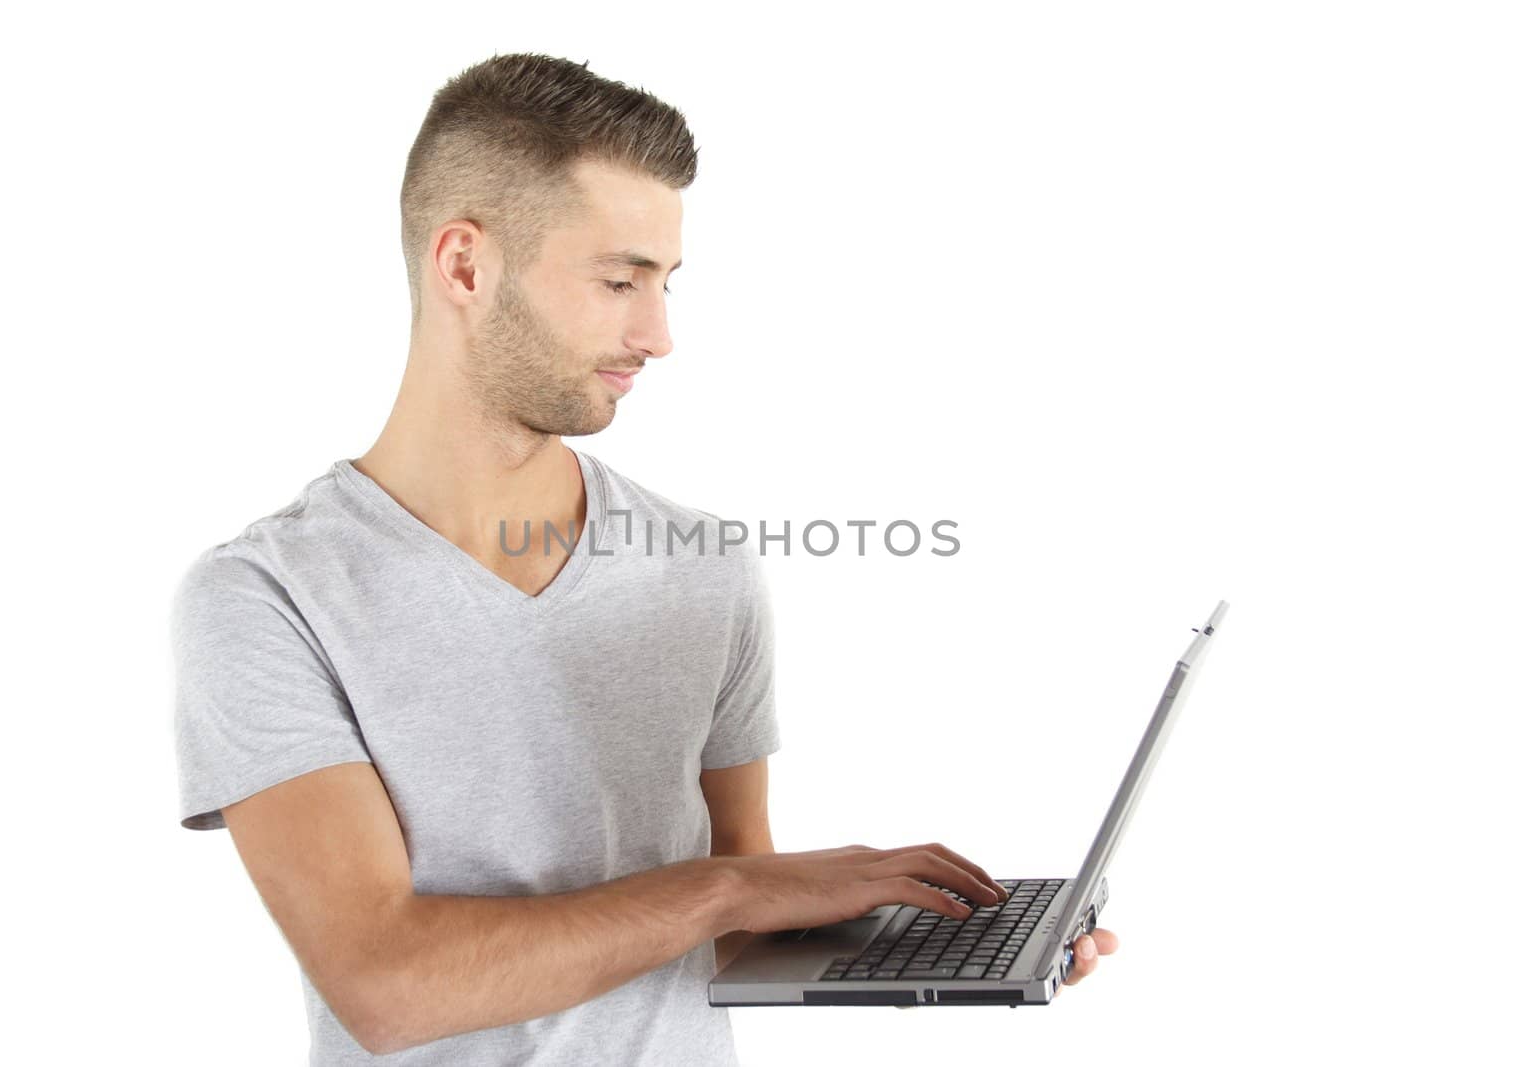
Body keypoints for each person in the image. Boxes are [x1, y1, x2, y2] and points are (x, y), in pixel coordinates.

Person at [169, 51, 1116, 1065]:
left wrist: (938, 941)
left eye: (663, 283)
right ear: (463, 265)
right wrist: (730, 886)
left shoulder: (703, 566)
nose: (657, 334)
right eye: (620, 280)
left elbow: (742, 917)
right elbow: (386, 983)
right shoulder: (268, 596)